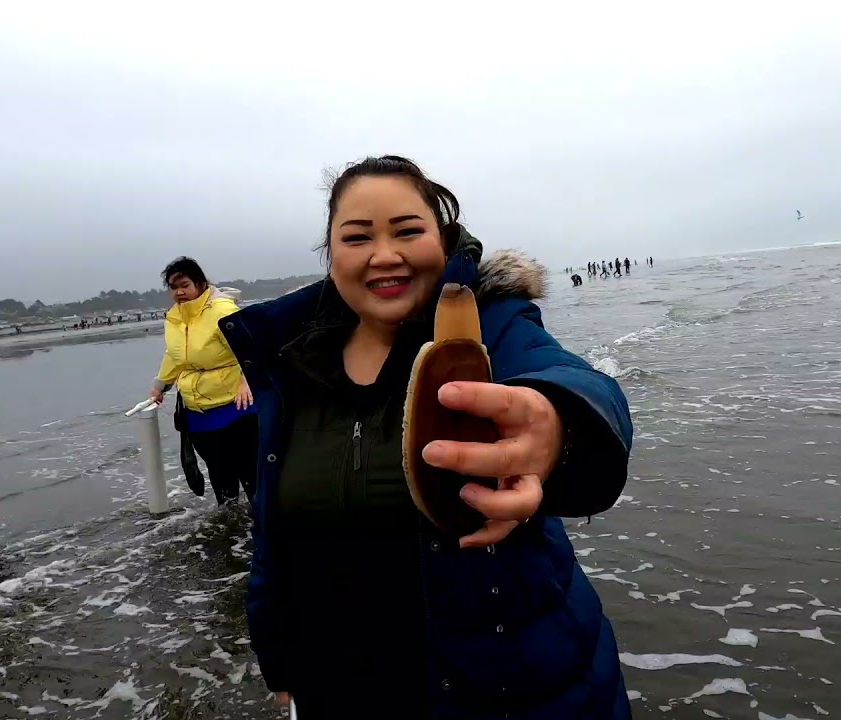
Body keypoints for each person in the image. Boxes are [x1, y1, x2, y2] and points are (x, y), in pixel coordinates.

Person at [220, 155, 633, 719]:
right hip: (336, 689)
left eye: (408, 231)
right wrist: (278, 653)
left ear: (443, 239)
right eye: (357, 236)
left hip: (504, 691)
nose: (384, 255)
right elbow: (274, 533)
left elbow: (577, 383)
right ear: (331, 253)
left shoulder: (490, 325)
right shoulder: (292, 363)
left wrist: (556, 424)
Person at [150, 257, 257, 506]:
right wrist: (159, 385)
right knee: (219, 471)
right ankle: (229, 523)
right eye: (174, 287)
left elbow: (254, 348)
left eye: (184, 285)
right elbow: (174, 355)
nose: (179, 292)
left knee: (250, 471)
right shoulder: (174, 318)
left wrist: (247, 381)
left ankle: (261, 526)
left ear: (199, 283)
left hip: (236, 405)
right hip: (197, 408)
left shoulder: (223, 311)